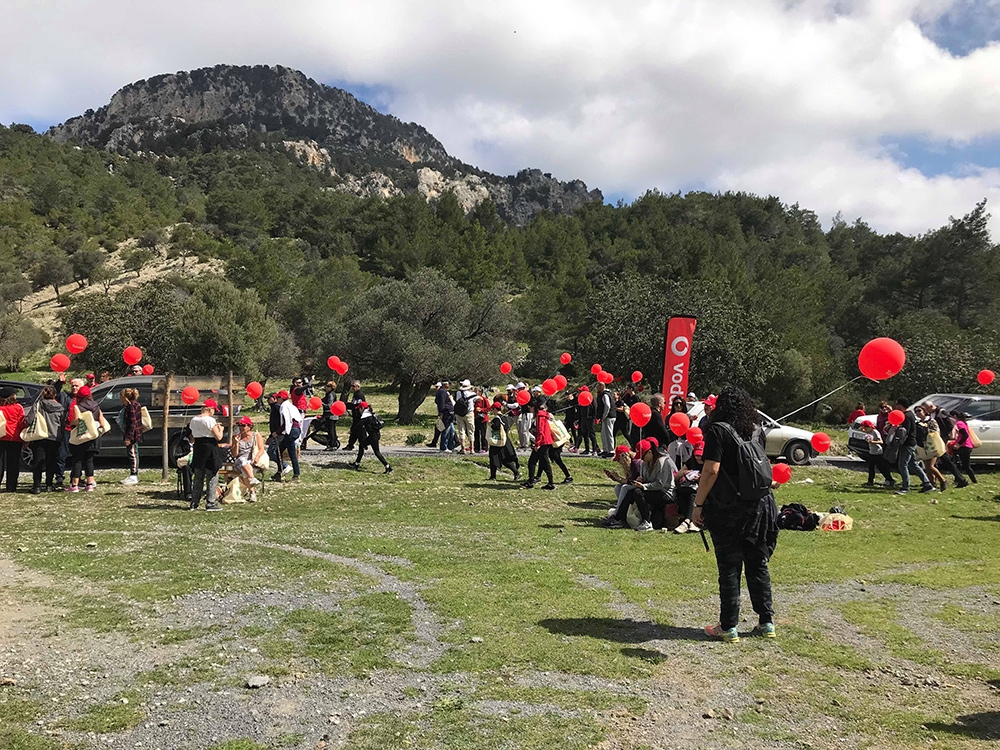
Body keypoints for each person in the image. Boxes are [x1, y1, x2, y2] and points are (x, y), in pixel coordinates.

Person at [692, 386, 779, 643]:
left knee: (729, 566)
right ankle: (766, 622)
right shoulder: (756, 429)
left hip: (728, 507)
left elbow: (711, 471)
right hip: (760, 505)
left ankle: (728, 626)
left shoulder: (718, 430)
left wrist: (698, 505)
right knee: (757, 563)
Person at [188, 399, 225, 511]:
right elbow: (219, 437)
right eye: (214, 409)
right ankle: (210, 502)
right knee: (212, 475)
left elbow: (193, 435)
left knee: (198, 476)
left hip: (199, 447)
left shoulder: (193, 420)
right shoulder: (210, 420)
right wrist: (221, 429)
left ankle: (194, 502)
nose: (214, 412)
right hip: (210, 447)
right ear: (210, 409)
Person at [66, 385, 104, 493]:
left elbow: (77, 421)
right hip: (93, 436)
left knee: (77, 460)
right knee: (89, 461)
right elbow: (101, 421)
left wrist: (71, 423)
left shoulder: (77, 407)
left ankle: (74, 486)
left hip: (81, 437)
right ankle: (89, 484)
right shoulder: (97, 406)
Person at [894, 398, 934, 495]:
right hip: (911, 443)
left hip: (908, 443)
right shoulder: (910, 414)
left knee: (902, 464)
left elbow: (905, 431)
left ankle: (906, 487)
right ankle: (927, 484)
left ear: (901, 405)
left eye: (897, 405)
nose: (896, 407)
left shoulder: (907, 416)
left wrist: (897, 429)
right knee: (913, 464)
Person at [29, 386, 65, 494]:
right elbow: (62, 423)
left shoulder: (38, 405)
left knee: (38, 461)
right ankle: (49, 484)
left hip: (39, 436)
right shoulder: (60, 407)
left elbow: (29, 420)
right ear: (54, 395)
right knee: (51, 461)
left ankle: (37, 486)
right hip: (54, 437)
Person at [923, 402, 968, 488]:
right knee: (943, 461)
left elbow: (949, 426)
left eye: (927, 409)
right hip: (937, 439)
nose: (926, 411)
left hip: (941, 439)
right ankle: (933, 480)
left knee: (944, 461)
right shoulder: (933, 414)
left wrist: (944, 436)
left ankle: (960, 479)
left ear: (931, 406)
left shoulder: (941, 412)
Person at [349, 401, 392, 473]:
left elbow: (358, 426)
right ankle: (356, 464)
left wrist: (352, 431)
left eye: (359, 409)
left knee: (377, 452)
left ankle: (388, 466)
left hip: (373, 436)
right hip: (376, 435)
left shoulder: (365, 417)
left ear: (362, 408)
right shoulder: (371, 414)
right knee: (361, 445)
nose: (358, 410)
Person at [522, 397, 556, 490]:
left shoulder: (539, 416)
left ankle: (530, 482)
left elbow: (540, 431)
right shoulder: (543, 414)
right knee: (545, 462)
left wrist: (537, 444)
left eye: (530, 407)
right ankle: (551, 483)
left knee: (532, 462)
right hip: (547, 441)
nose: (529, 409)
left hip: (543, 441)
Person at [231, 416, 265, 502]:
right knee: (242, 461)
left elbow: (261, 449)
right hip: (239, 462)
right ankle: (252, 479)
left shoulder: (256, 435)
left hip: (252, 462)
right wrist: (236, 442)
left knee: (245, 471)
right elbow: (235, 455)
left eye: (243, 425)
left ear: (249, 426)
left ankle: (252, 494)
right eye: (239, 425)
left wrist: (257, 457)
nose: (241, 428)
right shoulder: (236, 437)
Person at [914, 404, 947, 492]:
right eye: (916, 411)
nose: (917, 413)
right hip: (923, 446)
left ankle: (942, 480)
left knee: (930, 466)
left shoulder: (931, 421)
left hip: (932, 445)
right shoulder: (917, 422)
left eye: (919, 411)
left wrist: (925, 428)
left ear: (925, 411)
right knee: (927, 467)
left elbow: (935, 431)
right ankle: (931, 484)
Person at [0, 387, 26, 492]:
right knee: (13, 463)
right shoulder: (17, 407)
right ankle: (11, 486)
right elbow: (22, 423)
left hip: (1, 437)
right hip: (14, 437)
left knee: (0, 462)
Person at [487, 399, 519, 481]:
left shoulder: (497, 418)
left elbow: (496, 427)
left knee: (493, 458)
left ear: (495, 409)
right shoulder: (504, 417)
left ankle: (493, 476)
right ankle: (516, 472)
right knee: (505, 459)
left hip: (497, 441)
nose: (492, 411)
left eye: (492, 409)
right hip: (505, 440)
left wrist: (490, 424)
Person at [272, 390, 301, 482]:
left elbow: (287, 422)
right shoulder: (291, 406)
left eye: (278, 398)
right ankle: (280, 472)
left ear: (281, 398)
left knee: (292, 454)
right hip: (296, 430)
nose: (277, 400)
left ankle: (296, 475)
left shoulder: (284, 407)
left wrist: (278, 432)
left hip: (291, 430)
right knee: (278, 451)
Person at [858, 421, 894, 487]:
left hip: (878, 452)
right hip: (872, 452)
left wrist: (872, 442)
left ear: (870, 427)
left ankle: (890, 479)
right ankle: (870, 481)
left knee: (881, 468)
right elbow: (859, 429)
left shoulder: (875, 432)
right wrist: (863, 427)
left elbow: (881, 441)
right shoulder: (868, 431)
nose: (865, 430)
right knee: (871, 467)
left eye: (866, 428)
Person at [119, 387, 143, 486]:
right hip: (133, 433)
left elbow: (132, 423)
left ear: (125, 397)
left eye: (120, 396)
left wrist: (128, 437)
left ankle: (134, 475)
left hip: (133, 434)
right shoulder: (131, 405)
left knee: (133, 454)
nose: (120, 399)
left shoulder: (131, 406)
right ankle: (132, 473)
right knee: (132, 453)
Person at [950, 411, 978, 485]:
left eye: (951, 417)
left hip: (964, 446)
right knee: (958, 464)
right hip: (966, 446)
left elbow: (965, 435)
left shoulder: (959, 423)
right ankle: (959, 479)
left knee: (965, 466)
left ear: (954, 416)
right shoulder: (963, 422)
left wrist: (958, 444)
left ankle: (972, 480)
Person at [453, 379, 477, 454]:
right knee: (471, 430)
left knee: (461, 430)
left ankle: (463, 448)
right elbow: (479, 399)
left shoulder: (458, 393)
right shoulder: (472, 394)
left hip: (459, 413)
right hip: (469, 413)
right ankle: (472, 448)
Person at [343, 380, 367, 452]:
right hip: (356, 417)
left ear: (358, 387)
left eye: (353, 386)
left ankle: (352, 445)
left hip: (359, 417)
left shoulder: (359, 395)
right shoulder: (356, 394)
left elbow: (355, 405)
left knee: (356, 431)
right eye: (351, 386)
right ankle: (361, 445)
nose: (352, 388)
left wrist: (345, 405)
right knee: (358, 431)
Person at [596, 382, 617, 457]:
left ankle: (611, 450)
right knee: (603, 433)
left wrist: (604, 415)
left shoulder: (605, 395)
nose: (597, 388)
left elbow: (607, 406)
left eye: (598, 386)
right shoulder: (607, 394)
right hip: (607, 417)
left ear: (602, 386)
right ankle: (605, 449)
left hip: (609, 417)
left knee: (609, 433)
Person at [574, 386, 597, 454]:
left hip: (590, 418)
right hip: (583, 418)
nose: (579, 392)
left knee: (591, 434)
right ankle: (587, 449)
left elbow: (595, 408)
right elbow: (579, 410)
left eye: (581, 391)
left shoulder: (591, 398)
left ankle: (594, 449)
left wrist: (594, 417)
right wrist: (577, 418)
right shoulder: (581, 399)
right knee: (585, 434)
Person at [320, 380, 341, 450]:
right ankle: (333, 443)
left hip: (331, 415)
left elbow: (329, 405)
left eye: (328, 386)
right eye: (326, 386)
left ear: (332, 387)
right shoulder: (328, 394)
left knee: (331, 430)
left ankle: (332, 445)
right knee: (331, 430)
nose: (326, 387)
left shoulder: (331, 395)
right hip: (329, 415)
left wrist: (322, 403)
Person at [516, 383, 534, 452]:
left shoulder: (528, 393)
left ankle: (525, 445)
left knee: (525, 430)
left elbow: (531, 402)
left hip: (527, 413)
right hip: (524, 413)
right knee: (523, 430)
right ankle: (534, 440)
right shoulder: (523, 394)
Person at [426, 382, 444, 448]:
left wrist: (441, 412)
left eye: (437, 387)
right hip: (441, 412)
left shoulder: (442, 393)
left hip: (443, 413)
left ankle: (434, 442)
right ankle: (434, 442)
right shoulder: (440, 393)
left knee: (443, 427)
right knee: (439, 427)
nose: (436, 388)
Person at [473, 387, 490, 454]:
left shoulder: (484, 399)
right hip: (475, 418)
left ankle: (484, 447)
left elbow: (488, 408)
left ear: (480, 392)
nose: (474, 392)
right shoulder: (474, 400)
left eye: (476, 391)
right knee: (476, 433)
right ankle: (476, 447)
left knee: (483, 434)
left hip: (483, 418)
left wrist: (481, 410)